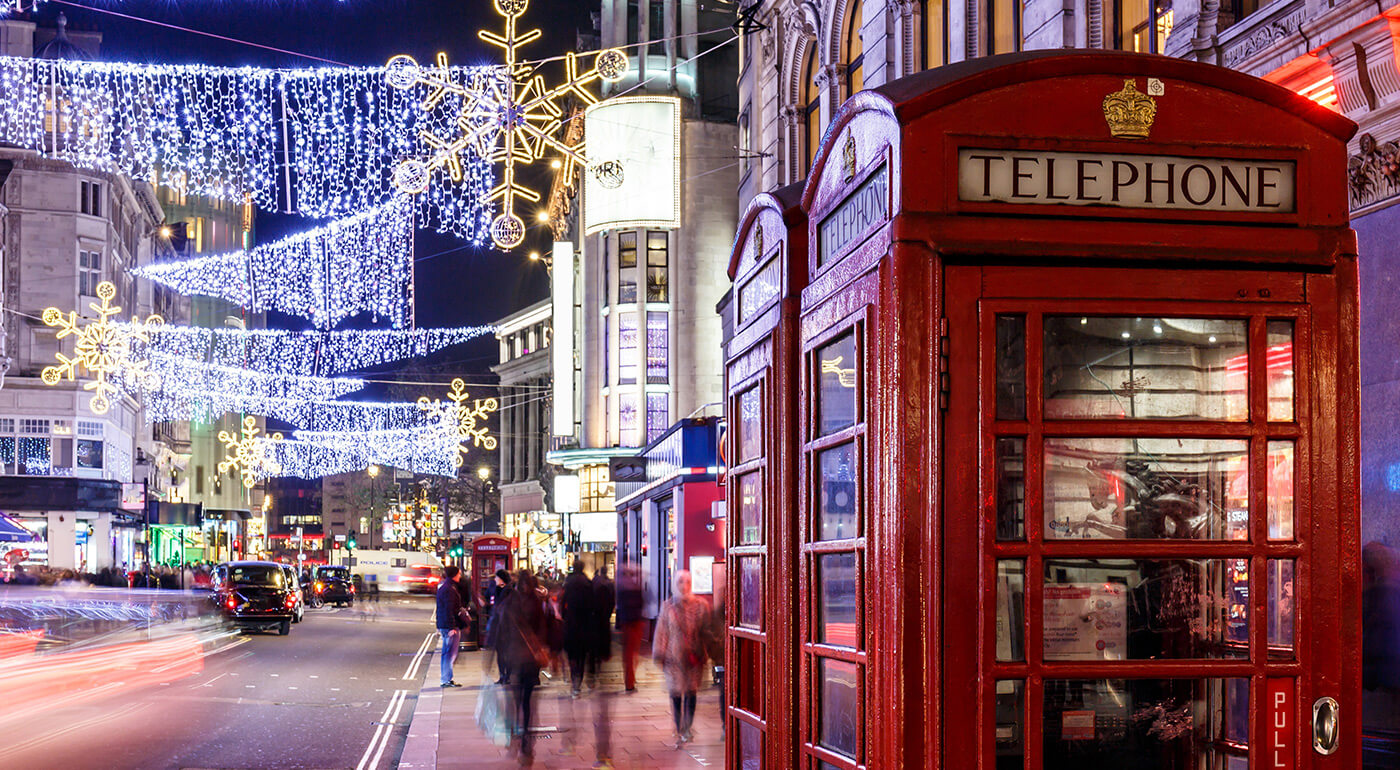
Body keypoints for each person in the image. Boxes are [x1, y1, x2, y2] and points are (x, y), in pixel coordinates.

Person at [652, 570, 712, 747]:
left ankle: (688, 727)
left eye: (687, 582)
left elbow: (706, 631)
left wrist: (707, 652)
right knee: (676, 693)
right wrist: (659, 652)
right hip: (673, 658)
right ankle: (679, 727)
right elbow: (662, 630)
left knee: (692, 692)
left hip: (693, 657)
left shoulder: (701, 605)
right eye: (680, 582)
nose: (684, 586)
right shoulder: (668, 606)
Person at [496, 569, 548, 765]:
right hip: (531, 659)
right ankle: (525, 740)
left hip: (517, 658)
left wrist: (498, 655)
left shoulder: (512, 601)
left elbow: (502, 629)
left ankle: (516, 735)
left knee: (517, 700)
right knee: (527, 702)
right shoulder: (536, 603)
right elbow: (544, 629)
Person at [561, 558, 595, 697]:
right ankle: (578, 682)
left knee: (572, 653)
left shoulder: (568, 582)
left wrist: (564, 615)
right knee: (581, 654)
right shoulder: (587, 582)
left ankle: (573, 675)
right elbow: (592, 603)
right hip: (584, 623)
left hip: (571, 622)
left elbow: (563, 602)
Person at [435, 565, 469, 688]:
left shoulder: (447, 587)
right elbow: (448, 610)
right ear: (454, 575)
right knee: (449, 653)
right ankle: (446, 680)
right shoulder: (449, 589)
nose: (460, 576)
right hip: (449, 626)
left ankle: (447, 679)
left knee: (449, 653)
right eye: (459, 574)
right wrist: (451, 627)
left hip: (446, 625)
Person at [615, 563, 645, 692]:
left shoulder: (621, 587)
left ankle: (629, 680)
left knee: (627, 654)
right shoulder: (635, 587)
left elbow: (619, 606)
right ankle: (630, 680)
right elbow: (642, 603)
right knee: (633, 652)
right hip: (636, 622)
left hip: (626, 623)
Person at [486, 569, 514, 685]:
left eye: (497, 577)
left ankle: (508, 676)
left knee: (507, 653)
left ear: (502, 579)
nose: (495, 579)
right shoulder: (497, 589)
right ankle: (502, 675)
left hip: (507, 628)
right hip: (498, 627)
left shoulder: (510, 591)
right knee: (500, 653)